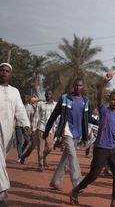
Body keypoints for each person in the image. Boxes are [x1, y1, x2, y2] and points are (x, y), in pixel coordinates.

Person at [70, 72, 115, 207]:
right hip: (101, 147)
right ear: (109, 99)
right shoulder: (104, 110)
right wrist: (104, 83)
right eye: (113, 99)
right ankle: (76, 189)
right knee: (94, 175)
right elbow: (99, 96)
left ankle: (114, 201)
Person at [43, 77, 98, 190]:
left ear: (83, 87)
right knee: (72, 155)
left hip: (77, 133)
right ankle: (78, 184)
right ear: (73, 86)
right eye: (76, 85)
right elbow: (54, 115)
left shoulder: (85, 101)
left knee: (66, 158)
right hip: (66, 131)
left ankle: (55, 182)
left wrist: (100, 123)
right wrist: (47, 130)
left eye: (80, 85)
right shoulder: (65, 99)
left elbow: (88, 118)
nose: (78, 87)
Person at [0, 62, 31, 204]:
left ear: (10, 74)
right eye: (2, 70)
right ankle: (3, 191)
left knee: (2, 159)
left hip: (7, 132)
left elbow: (20, 109)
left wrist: (26, 124)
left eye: (7, 71)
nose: (4, 73)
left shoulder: (14, 91)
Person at [32, 90, 57, 171]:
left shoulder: (56, 105)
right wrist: (33, 128)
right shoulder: (40, 104)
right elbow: (36, 116)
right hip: (41, 128)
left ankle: (44, 157)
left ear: (52, 94)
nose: (47, 95)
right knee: (40, 148)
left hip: (51, 129)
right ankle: (40, 165)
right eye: (46, 93)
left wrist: (57, 128)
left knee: (50, 147)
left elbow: (57, 118)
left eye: (49, 93)